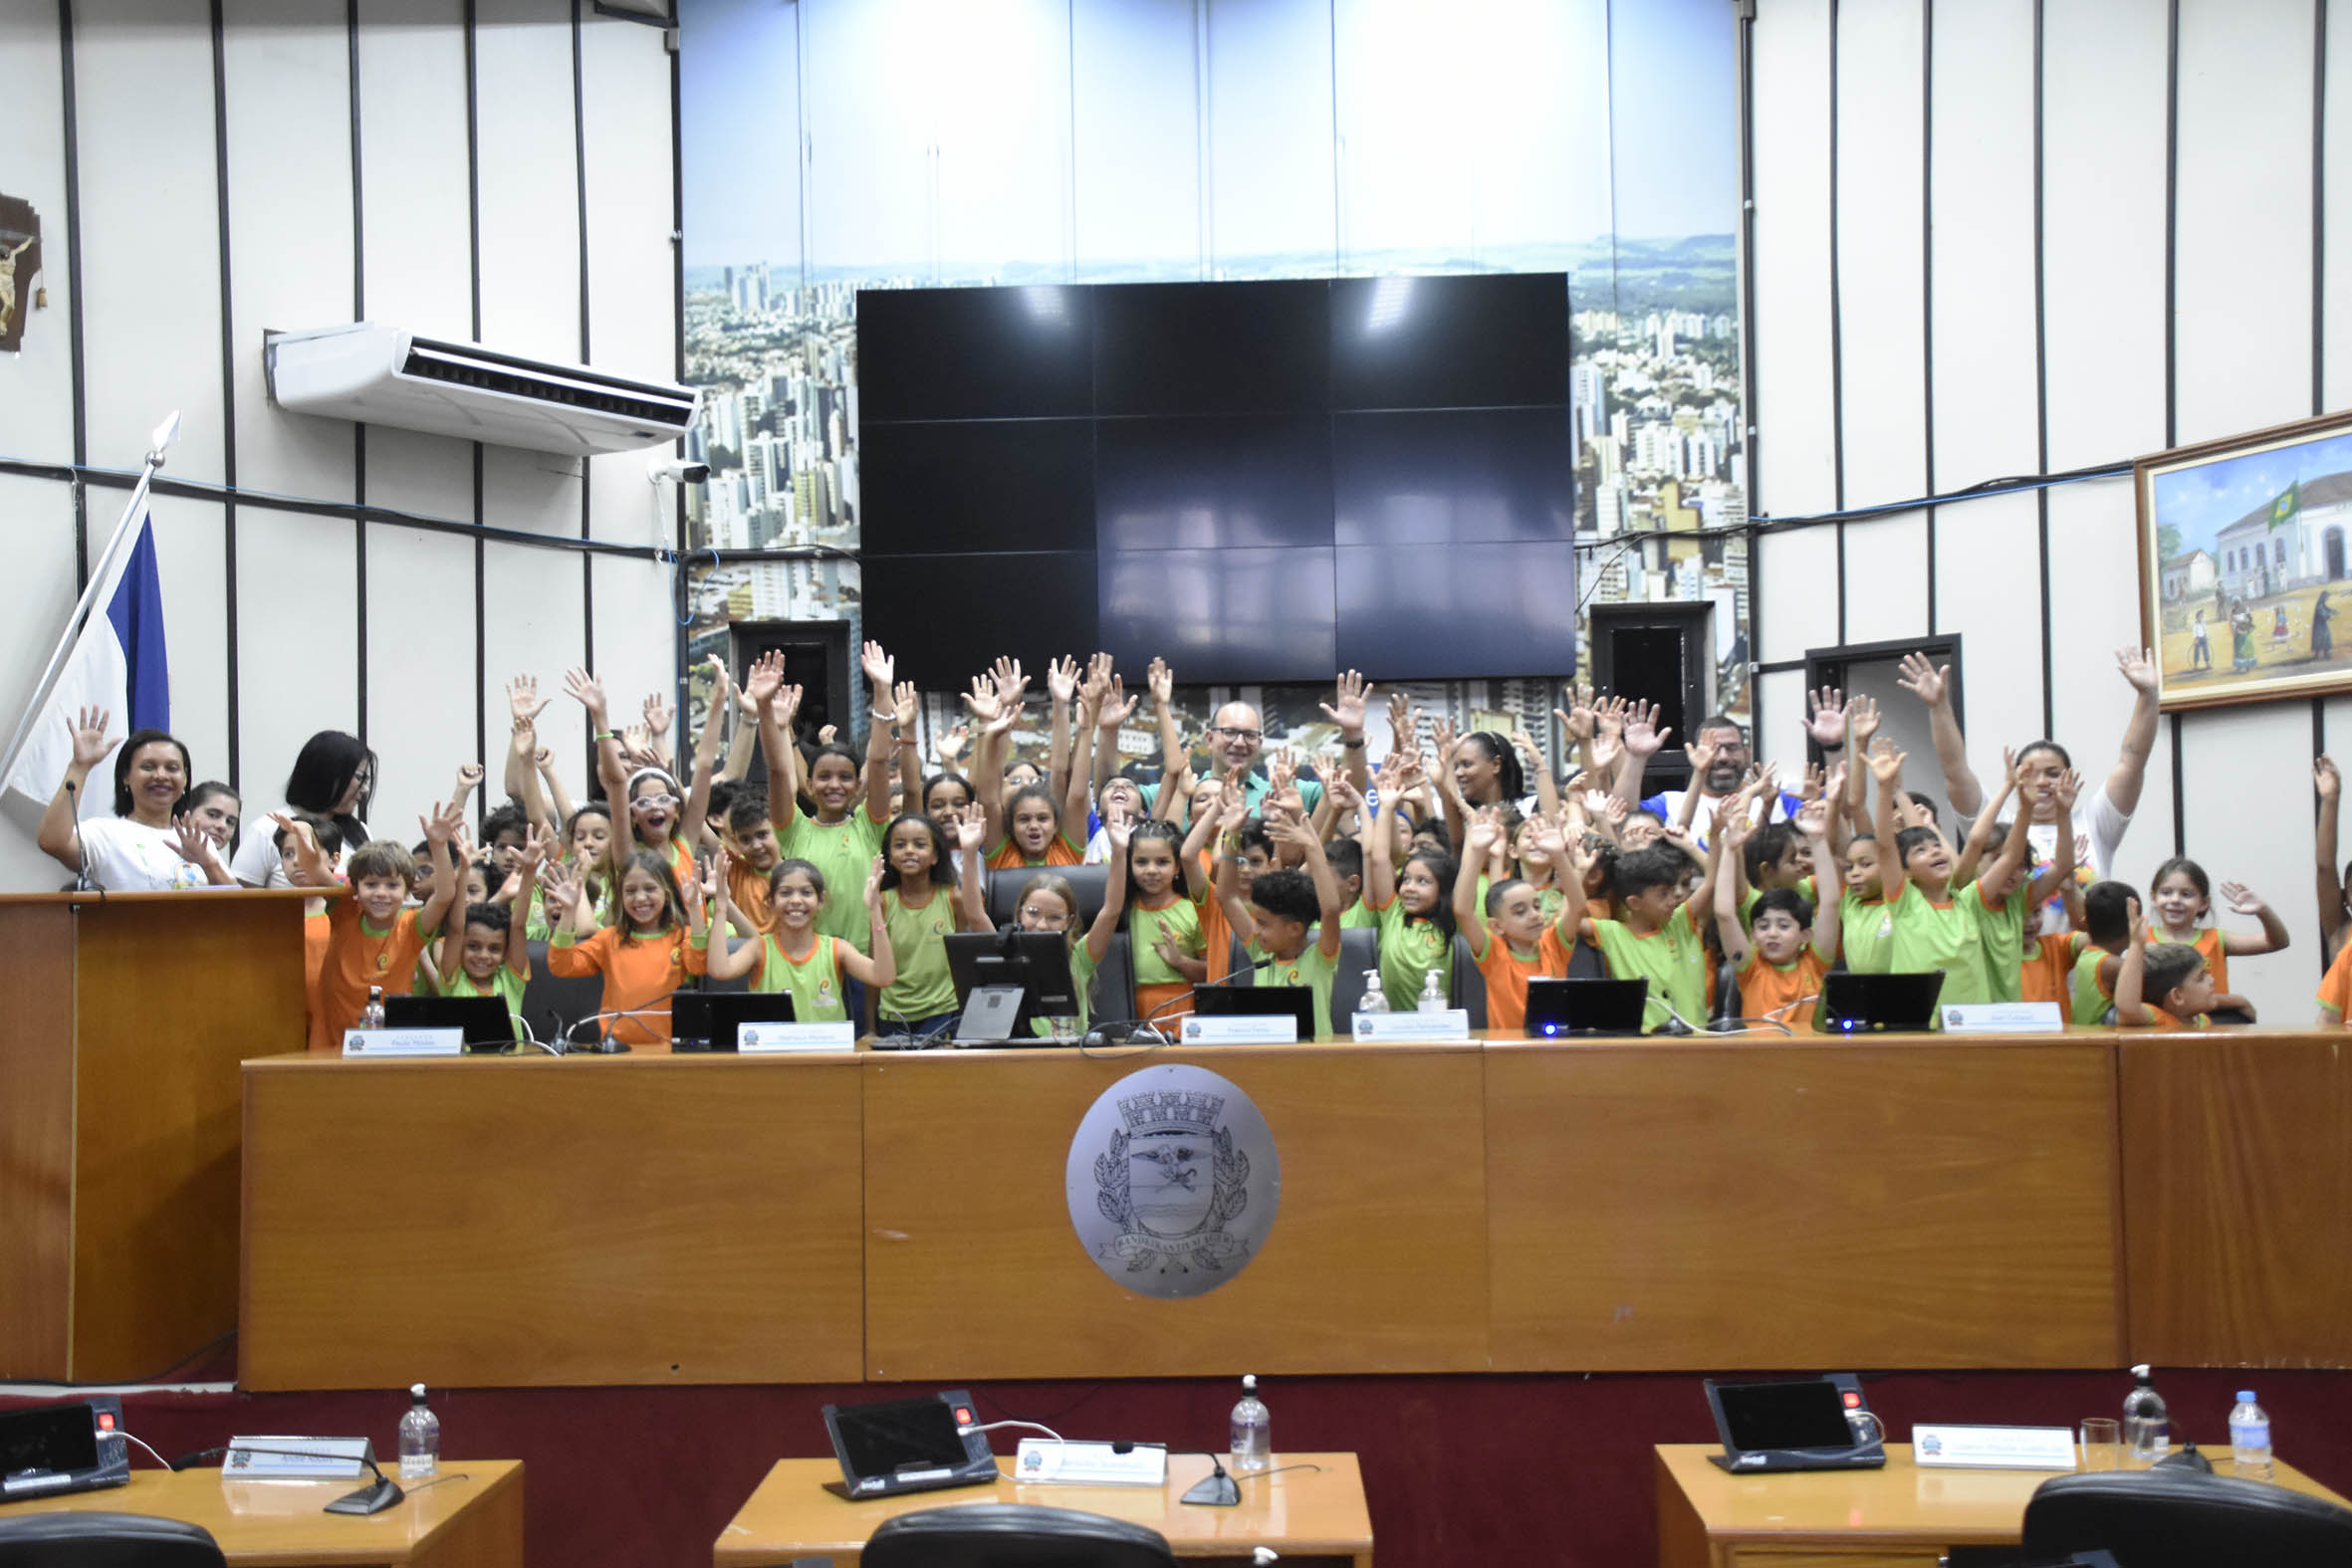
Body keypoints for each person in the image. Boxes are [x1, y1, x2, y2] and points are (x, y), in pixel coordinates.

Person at [284, 798, 465, 1045]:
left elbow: (444, 895)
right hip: (332, 1043)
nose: (381, 893)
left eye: (392, 885)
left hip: (388, 1046)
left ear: (408, 890)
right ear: (355, 887)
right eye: (371, 884)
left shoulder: (412, 927)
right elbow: (316, 869)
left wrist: (439, 845)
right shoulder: (345, 912)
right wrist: (302, 834)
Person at [754, 645, 895, 955]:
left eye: (845, 777)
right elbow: (778, 770)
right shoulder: (794, 829)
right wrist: (765, 710)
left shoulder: (869, 827)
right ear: (809, 784)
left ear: (858, 785)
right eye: (824, 777)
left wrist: (882, 692)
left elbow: (880, 761)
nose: (834, 785)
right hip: (805, 957)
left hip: (862, 958)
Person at [36, 709, 232, 889]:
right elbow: (52, 842)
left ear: (185, 779)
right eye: (148, 767)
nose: (161, 776)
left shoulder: (199, 840)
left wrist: (208, 863)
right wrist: (79, 767)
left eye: (172, 768)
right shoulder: (103, 834)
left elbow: (241, 906)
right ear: (126, 777)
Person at [542, 848, 709, 1046]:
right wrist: (569, 913)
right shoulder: (609, 938)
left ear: (666, 892)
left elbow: (699, 966)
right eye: (630, 891)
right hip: (617, 1050)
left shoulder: (682, 935)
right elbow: (561, 965)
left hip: (668, 1051)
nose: (640, 898)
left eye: (649, 888)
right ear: (620, 896)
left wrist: (694, 909)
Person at [703, 851, 893, 1020]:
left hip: (826, 1056)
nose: (795, 900)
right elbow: (720, 970)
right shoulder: (759, 948)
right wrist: (721, 902)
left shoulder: (837, 949)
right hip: (773, 1056)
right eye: (785, 893)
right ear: (770, 902)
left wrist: (875, 909)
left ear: (821, 901)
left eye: (806, 892)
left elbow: (884, 977)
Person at [1716, 801, 1839, 1028]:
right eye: (1763, 927)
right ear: (1752, 934)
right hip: (1758, 1058)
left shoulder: (1815, 963)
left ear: (1805, 935)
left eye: (1783, 926)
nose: (1772, 934)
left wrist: (1818, 840)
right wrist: (1730, 850)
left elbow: (1830, 903)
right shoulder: (1749, 968)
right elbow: (1725, 914)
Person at [1456, 812, 1574, 1032]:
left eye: (1537, 906)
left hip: (1555, 1051)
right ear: (1497, 926)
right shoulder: (1493, 952)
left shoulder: (1554, 944)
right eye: (1520, 912)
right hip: (1505, 1055)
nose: (1534, 915)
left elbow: (1577, 907)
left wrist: (1560, 856)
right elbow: (1462, 911)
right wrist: (1476, 852)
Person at [436, 826, 544, 1043]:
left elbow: (518, 926)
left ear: (505, 954)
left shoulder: (510, 980)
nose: (484, 955)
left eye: (494, 949)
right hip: (461, 1070)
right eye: (473, 946)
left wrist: (530, 871)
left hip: (508, 1068)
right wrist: (464, 869)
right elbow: (456, 927)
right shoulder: (453, 980)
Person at [230, 729, 376, 887]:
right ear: (328, 774)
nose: (365, 788)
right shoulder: (266, 828)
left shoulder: (360, 831)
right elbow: (242, 901)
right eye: (359, 777)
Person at [2145, 855, 2285, 1017]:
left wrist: (2263, 912)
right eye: (2166, 892)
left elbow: (2276, 942)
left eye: (2186, 894)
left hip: (2214, 1023)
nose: (2175, 899)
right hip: (2160, 1026)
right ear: (2154, 897)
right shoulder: (2141, 938)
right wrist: (2236, 1001)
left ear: (2204, 903)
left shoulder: (2216, 939)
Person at [872, 811, 967, 1038]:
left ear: (935, 856)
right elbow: (875, 967)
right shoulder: (882, 901)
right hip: (894, 1015)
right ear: (890, 856)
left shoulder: (954, 898)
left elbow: (961, 959)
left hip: (943, 1012)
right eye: (900, 845)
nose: (909, 851)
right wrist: (869, 1027)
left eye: (920, 844)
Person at [2115, 922, 2219, 1029]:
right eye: (2201, 978)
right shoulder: (2159, 1019)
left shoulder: (2204, 1020)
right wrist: (2136, 943)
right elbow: (2127, 1008)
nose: (2212, 980)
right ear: (2177, 995)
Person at [2315, 588, 2336, 658]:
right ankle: (2318, 654)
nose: (2327, 598)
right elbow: (2322, 613)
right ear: (2324, 597)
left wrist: (2333, 610)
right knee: (2320, 638)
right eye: (2327, 597)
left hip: (2322, 624)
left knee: (2325, 637)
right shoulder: (2319, 604)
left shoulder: (2322, 603)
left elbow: (2326, 608)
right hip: (2319, 625)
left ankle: (2325, 653)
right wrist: (2328, 616)